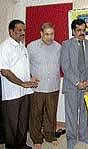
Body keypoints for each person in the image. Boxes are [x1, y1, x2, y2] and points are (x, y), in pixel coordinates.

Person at [0, 19, 38, 149]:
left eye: (24, 30)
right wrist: (22, 83)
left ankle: (21, 144)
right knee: (12, 124)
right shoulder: (5, 47)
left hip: (25, 92)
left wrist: (30, 79)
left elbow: (23, 67)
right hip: (12, 94)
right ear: (11, 31)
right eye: (20, 30)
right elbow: (5, 71)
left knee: (22, 122)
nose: (23, 33)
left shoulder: (22, 46)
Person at [60, 19, 88, 149]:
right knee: (71, 113)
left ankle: (83, 135)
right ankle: (71, 138)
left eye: (84, 30)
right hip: (72, 85)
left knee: (84, 112)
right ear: (73, 31)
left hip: (87, 85)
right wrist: (77, 82)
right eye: (79, 30)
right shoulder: (66, 45)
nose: (82, 33)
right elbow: (65, 66)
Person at [27, 23, 61, 149]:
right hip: (37, 87)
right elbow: (25, 65)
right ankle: (36, 139)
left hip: (53, 86)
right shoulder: (31, 46)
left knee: (51, 114)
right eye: (46, 34)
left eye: (52, 34)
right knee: (36, 114)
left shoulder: (58, 47)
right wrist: (28, 77)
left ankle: (50, 136)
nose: (49, 37)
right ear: (41, 33)